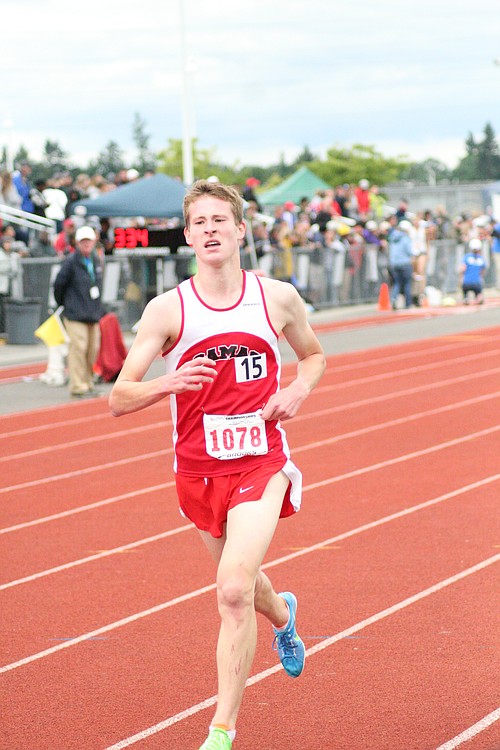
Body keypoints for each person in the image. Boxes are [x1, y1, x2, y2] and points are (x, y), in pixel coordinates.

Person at [109, 180, 326, 750]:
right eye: (199, 222)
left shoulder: (275, 298)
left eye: (219, 220)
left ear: (239, 230)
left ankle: (221, 732)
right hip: (197, 471)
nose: (209, 229)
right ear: (187, 236)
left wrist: (299, 390)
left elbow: (314, 356)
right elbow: (118, 397)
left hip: (261, 461)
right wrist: (167, 383)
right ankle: (284, 615)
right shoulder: (168, 309)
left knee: (231, 590)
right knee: (244, 581)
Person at [53, 225, 104, 397]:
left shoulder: (95, 260)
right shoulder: (70, 262)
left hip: (92, 313)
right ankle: (77, 385)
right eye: (83, 241)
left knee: (92, 350)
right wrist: (65, 304)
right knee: (78, 349)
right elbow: (59, 284)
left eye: (89, 240)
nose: (87, 244)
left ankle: (88, 381)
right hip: (75, 314)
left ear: (94, 241)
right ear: (77, 243)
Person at [388, 219, 414, 309]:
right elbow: (410, 251)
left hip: (394, 264)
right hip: (405, 263)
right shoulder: (405, 238)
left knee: (397, 283)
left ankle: (393, 300)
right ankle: (408, 303)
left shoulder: (392, 237)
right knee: (407, 283)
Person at [459, 238, 486, 305]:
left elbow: (462, 269)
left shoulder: (466, 257)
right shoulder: (481, 259)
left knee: (464, 287)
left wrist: (460, 278)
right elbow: (482, 271)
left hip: (466, 282)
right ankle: (479, 297)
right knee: (479, 288)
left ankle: (465, 298)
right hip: (476, 283)